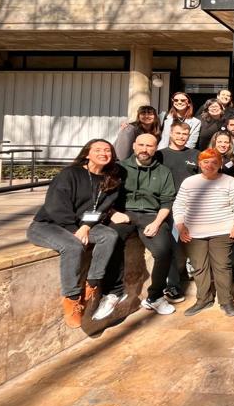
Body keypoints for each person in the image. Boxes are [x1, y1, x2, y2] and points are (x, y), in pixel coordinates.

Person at [26, 139, 121, 328]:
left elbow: (101, 209)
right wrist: (74, 230)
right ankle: (72, 298)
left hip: (80, 225)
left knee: (109, 235)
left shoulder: (111, 180)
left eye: (107, 150)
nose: (103, 153)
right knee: (73, 246)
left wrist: (85, 226)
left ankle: (92, 284)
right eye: (98, 149)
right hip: (47, 225)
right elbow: (55, 205)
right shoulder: (70, 173)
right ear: (87, 154)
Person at [103, 133, 177, 319]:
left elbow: (167, 201)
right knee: (111, 240)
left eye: (149, 146)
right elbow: (104, 196)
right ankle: (113, 293)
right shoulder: (118, 168)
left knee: (163, 250)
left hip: (151, 215)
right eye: (141, 145)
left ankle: (155, 296)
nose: (145, 149)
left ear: (155, 148)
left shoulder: (163, 172)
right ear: (134, 146)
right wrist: (112, 213)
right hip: (124, 213)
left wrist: (157, 223)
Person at [173, 148, 234, 317]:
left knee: (222, 266)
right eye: (206, 162)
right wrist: (180, 226)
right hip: (194, 232)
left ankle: (226, 301)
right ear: (199, 164)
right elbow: (179, 205)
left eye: (214, 162)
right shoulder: (189, 182)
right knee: (199, 267)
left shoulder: (229, 181)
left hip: (222, 231)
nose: (210, 165)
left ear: (220, 164)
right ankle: (203, 300)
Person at [155, 122, 199, 305]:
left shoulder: (195, 154)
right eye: (178, 133)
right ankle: (172, 285)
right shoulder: (160, 155)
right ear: (171, 133)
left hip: (193, 207)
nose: (181, 137)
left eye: (185, 134)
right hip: (169, 207)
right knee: (173, 247)